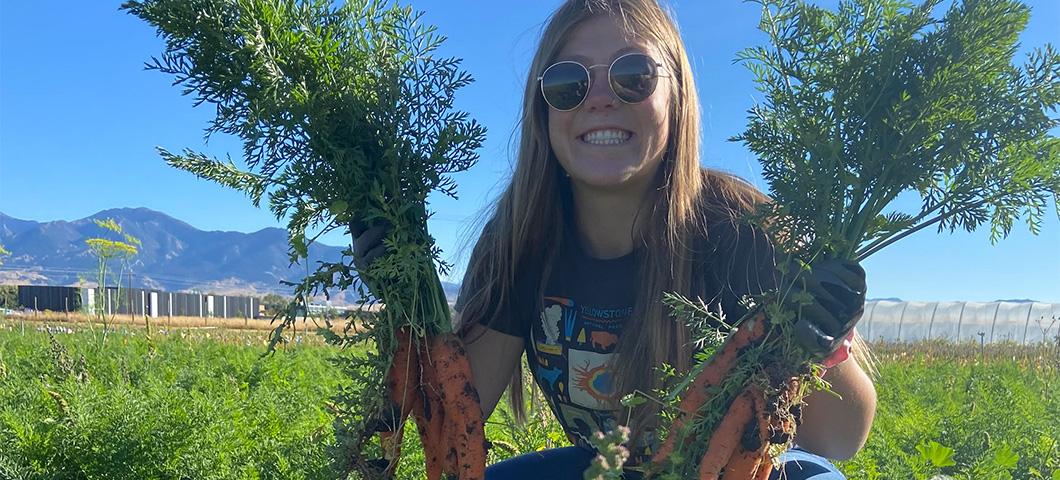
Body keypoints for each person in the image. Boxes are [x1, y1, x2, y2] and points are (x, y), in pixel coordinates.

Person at [353, 1, 876, 478]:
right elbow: (458, 415)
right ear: (544, 111)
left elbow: (841, 439)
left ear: (678, 97)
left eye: (634, 75)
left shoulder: (743, 231)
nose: (599, 98)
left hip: (737, 468)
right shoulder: (521, 240)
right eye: (568, 83)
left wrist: (822, 342)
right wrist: (407, 302)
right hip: (604, 467)